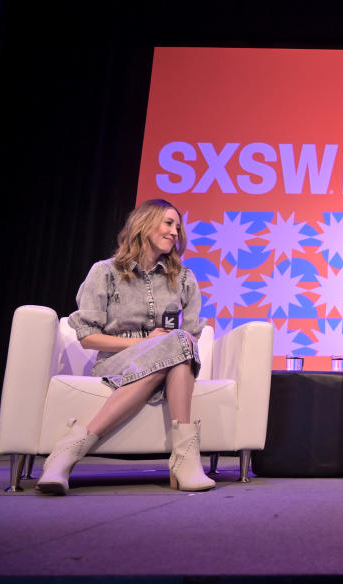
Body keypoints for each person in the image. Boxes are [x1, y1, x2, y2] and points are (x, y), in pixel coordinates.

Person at [36, 199, 215, 495]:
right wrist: (147, 342)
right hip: (117, 362)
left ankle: (69, 450)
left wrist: (167, 342)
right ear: (144, 224)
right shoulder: (104, 272)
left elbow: (191, 335)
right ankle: (185, 459)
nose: (175, 232)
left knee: (180, 343)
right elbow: (87, 337)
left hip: (173, 363)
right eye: (168, 223)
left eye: (178, 227)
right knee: (176, 346)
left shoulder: (184, 278)